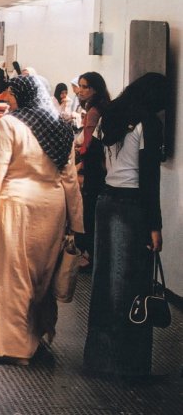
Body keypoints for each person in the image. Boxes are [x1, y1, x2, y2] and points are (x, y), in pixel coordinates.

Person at [0, 75, 83, 365]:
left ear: (24, 96)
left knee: (11, 277)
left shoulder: (10, 124)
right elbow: (70, 179)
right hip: (52, 209)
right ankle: (34, 339)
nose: (8, 98)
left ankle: (13, 348)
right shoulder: (61, 127)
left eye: (12, 94)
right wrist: (77, 223)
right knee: (41, 278)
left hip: (14, 207)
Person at [84, 72, 168, 377]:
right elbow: (149, 179)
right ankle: (127, 362)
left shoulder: (110, 117)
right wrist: (154, 225)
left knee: (104, 281)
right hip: (132, 207)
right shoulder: (148, 123)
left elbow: (92, 162)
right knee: (131, 284)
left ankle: (99, 359)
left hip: (105, 203)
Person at [75, 71, 111, 264]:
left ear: (95, 88)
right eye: (80, 86)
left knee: (88, 211)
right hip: (103, 167)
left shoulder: (94, 111)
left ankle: (88, 255)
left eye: (85, 86)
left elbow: (88, 143)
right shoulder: (103, 107)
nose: (80, 90)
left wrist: (80, 155)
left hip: (93, 169)